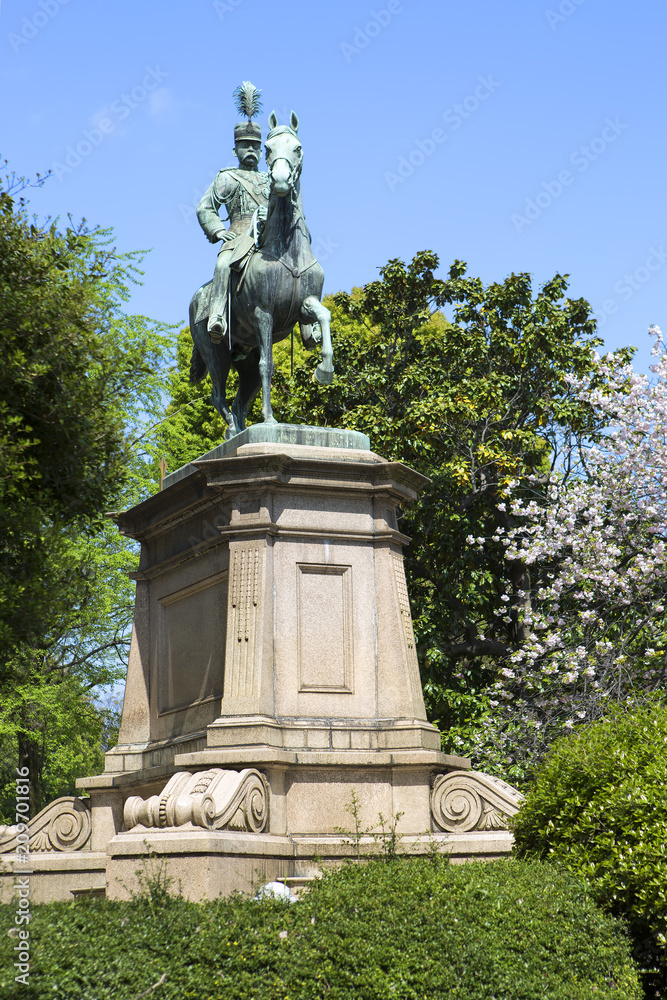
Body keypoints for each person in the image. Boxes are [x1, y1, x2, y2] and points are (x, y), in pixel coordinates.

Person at [197, 87, 270, 342]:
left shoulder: (272, 178)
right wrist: (218, 231)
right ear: (235, 150)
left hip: (271, 238)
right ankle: (217, 316)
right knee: (222, 265)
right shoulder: (227, 177)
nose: (251, 149)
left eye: (255, 146)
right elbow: (205, 207)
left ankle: (306, 325)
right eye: (245, 145)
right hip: (238, 237)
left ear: (262, 151)